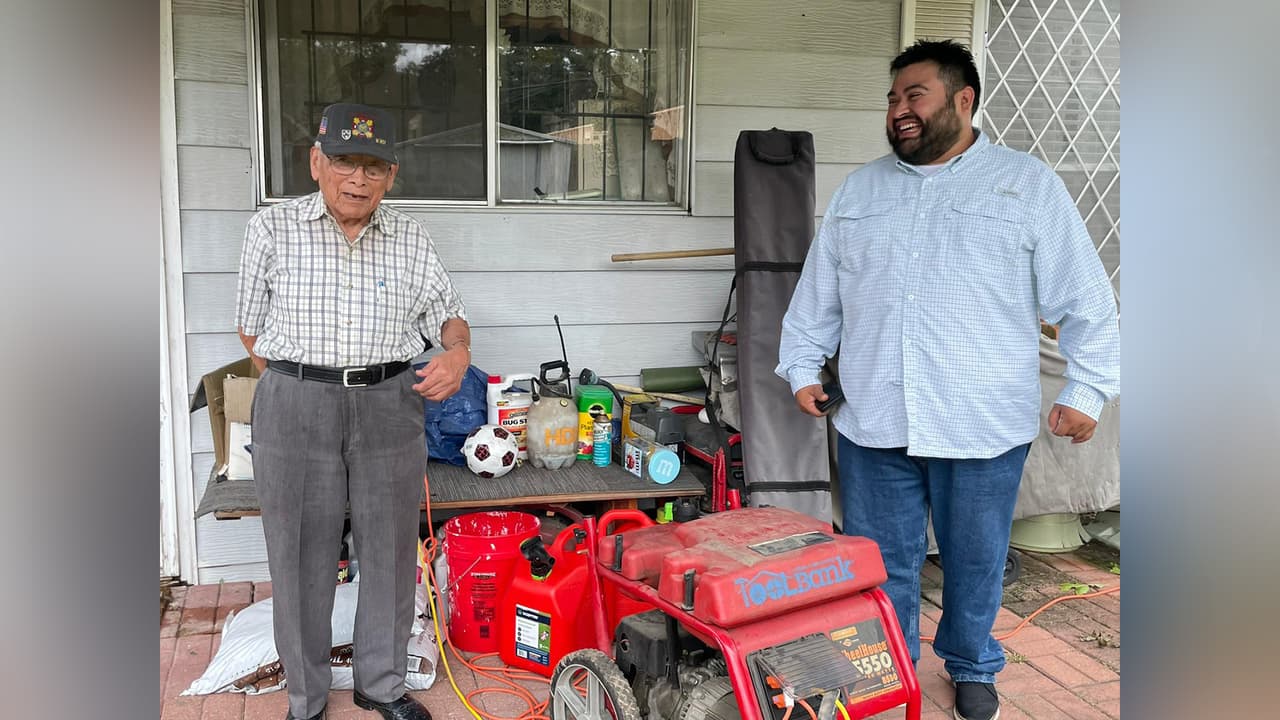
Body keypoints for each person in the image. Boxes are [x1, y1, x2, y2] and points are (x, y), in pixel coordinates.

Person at [776, 40, 1119, 720]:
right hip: (875, 417)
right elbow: (820, 294)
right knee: (883, 561)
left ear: (964, 100)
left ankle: (971, 664)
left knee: (975, 560)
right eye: (892, 99)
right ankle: (888, 666)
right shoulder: (860, 191)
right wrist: (802, 365)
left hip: (981, 421)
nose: (898, 110)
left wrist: (1087, 389)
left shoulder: (1025, 186)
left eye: (915, 96)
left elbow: (1085, 299)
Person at [236, 102, 471, 720]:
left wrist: (458, 352)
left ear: (391, 175)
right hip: (296, 402)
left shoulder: (410, 237)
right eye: (344, 162)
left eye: (373, 167)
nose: (357, 179)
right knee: (299, 553)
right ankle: (306, 699)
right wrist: (308, 382)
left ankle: (381, 684)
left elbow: (448, 313)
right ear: (316, 162)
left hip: (389, 402)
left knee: (390, 548)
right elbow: (250, 329)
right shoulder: (272, 228)